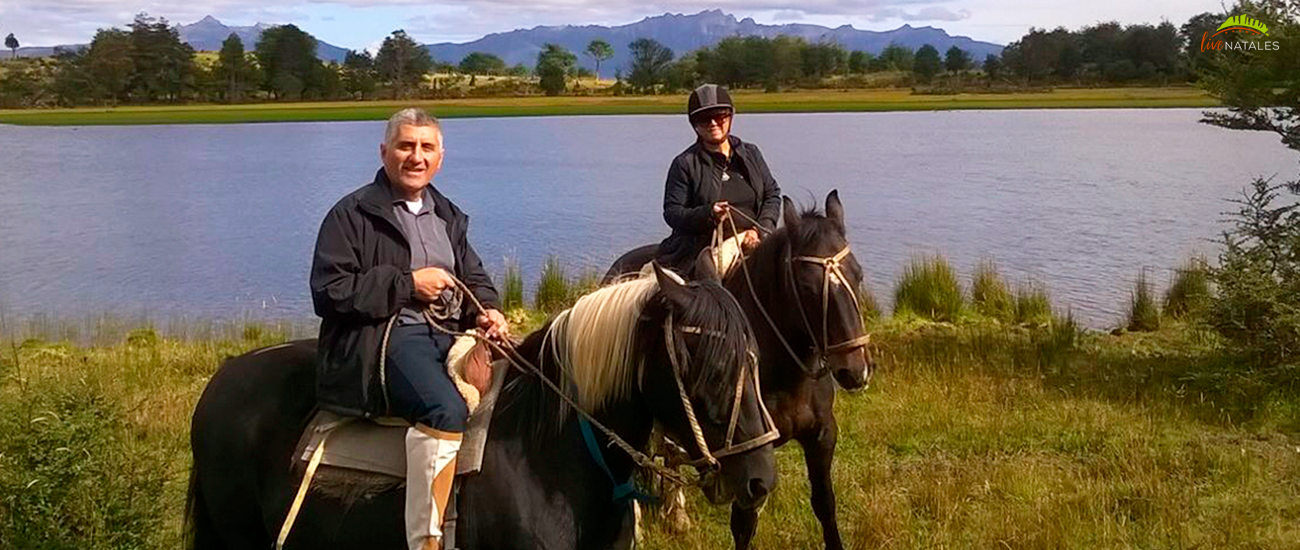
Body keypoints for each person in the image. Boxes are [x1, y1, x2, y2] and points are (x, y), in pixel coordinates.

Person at [310, 107, 509, 550]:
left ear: (440, 157)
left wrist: (489, 311)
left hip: (450, 335)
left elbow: (474, 277)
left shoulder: (448, 214)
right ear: (384, 152)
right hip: (386, 336)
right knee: (445, 409)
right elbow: (329, 291)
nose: (416, 157)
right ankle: (426, 541)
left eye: (426, 147)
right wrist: (407, 285)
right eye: (405, 146)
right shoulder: (351, 214)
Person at [657, 84, 782, 275]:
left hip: (755, 238)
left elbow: (771, 195)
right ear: (694, 124)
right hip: (705, 246)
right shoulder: (684, 163)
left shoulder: (751, 153)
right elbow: (673, 213)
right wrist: (708, 214)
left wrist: (760, 230)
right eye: (704, 119)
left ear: (730, 117)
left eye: (720, 116)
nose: (713, 123)